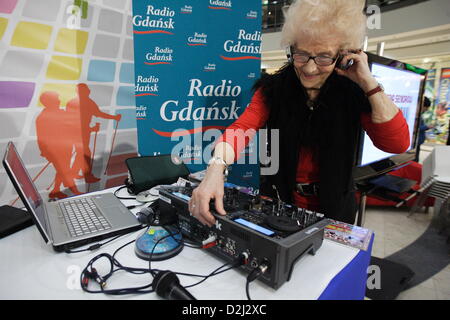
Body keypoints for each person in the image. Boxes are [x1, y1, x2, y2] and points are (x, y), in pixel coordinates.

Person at [188, 0, 410, 225]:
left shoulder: (355, 93)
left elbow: (397, 144)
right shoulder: (273, 89)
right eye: (301, 55)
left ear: (343, 55)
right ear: (291, 49)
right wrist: (216, 169)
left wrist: (368, 82)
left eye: (324, 57)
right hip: (279, 203)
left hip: (337, 207)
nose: (310, 68)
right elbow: (241, 129)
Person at [66, 83, 121, 184]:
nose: (88, 92)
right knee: (85, 153)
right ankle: (87, 176)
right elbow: (76, 122)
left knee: (81, 153)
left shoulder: (81, 102)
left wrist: (91, 128)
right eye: (85, 90)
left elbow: (98, 114)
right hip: (78, 133)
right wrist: (91, 129)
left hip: (80, 133)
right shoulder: (81, 102)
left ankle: (73, 173)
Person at [36, 91, 82, 199]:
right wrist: (46, 152)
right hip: (55, 151)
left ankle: (55, 191)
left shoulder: (60, 112)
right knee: (64, 170)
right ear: (49, 102)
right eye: (56, 99)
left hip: (66, 148)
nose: (59, 100)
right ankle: (75, 191)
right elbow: (41, 137)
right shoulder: (43, 117)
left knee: (61, 171)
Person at [416, 96, 433, 161]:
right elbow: (416, 128)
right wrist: (427, 127)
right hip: (416, 143)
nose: (426, 110)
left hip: (418, 143)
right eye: (426, 108)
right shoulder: (415, 115)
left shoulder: (419, 114)